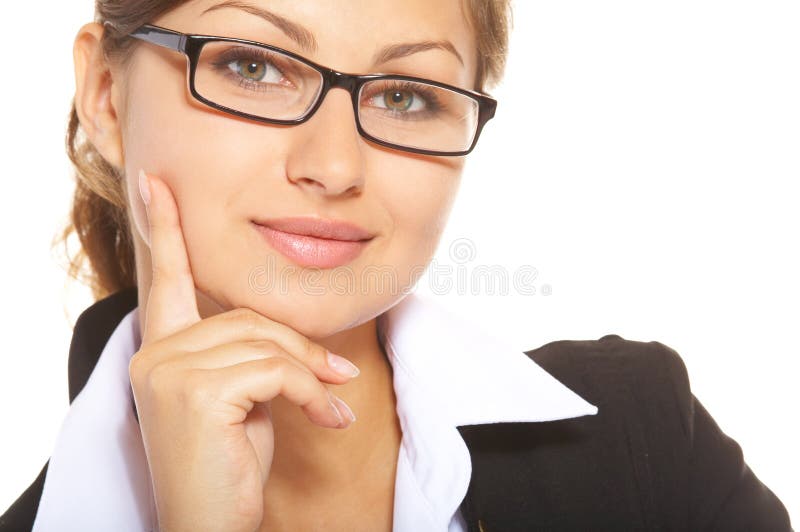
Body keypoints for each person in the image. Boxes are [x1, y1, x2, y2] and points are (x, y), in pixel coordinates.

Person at [0, 1, 792, 530]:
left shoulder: (644, 442)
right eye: (253, 67)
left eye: (406, 96)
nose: (335, 163)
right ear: (105, 95)